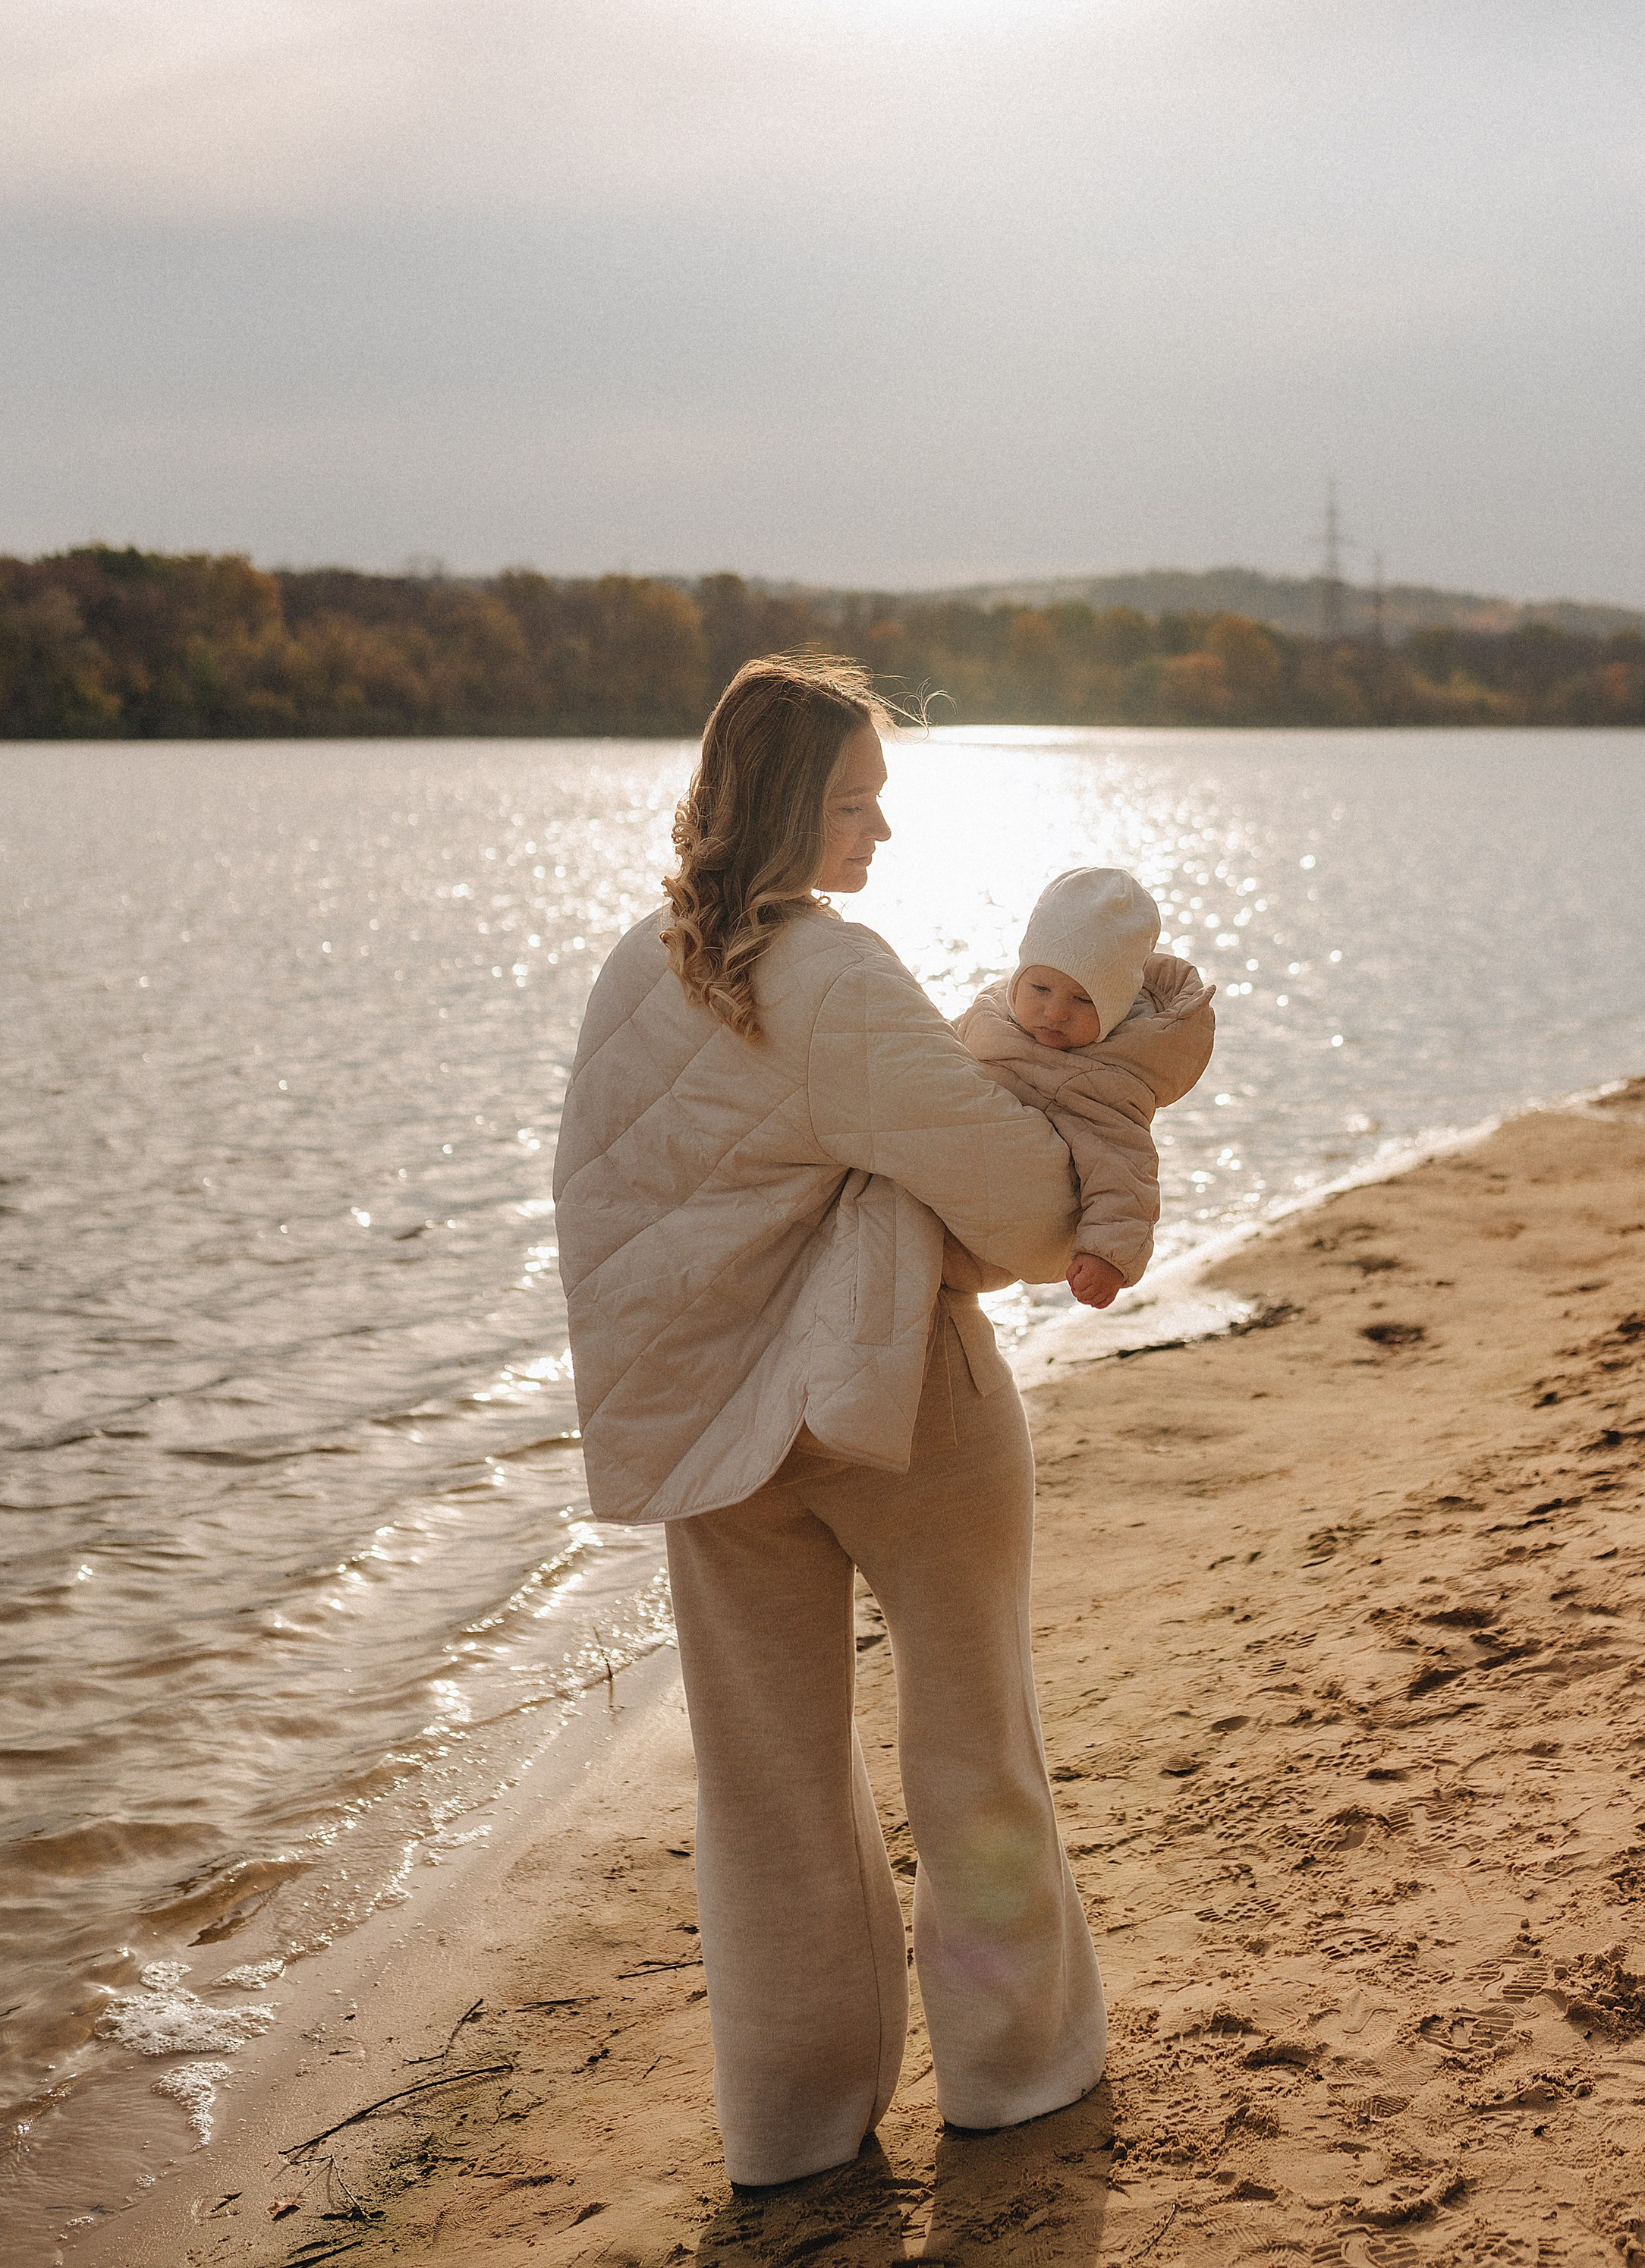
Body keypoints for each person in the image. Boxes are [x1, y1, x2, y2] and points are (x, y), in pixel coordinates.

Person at [552, 655, 1108, 2191]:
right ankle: (1011, 2071)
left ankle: (791, 2128)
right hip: (900, 1407)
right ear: (792, 806)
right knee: (974, 1742)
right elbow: (1028, 1208)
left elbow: (607, 1221)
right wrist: (911, 1192)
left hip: (714, 1433)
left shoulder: (633, 969)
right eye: (857, 801)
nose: (880, 830)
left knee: (764, 1788)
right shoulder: (837, 974)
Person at [952, 867, 1216, 1311]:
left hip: (984, 1235)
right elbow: (931, 1055)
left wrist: (1107, 1256)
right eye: (1040, 987)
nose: (1055, 1012)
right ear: (1019, 976)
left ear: (1117, 1007)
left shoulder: (1108, 1080)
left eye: (1083, 999)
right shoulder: (988, 1014)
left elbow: (1125, 1171)